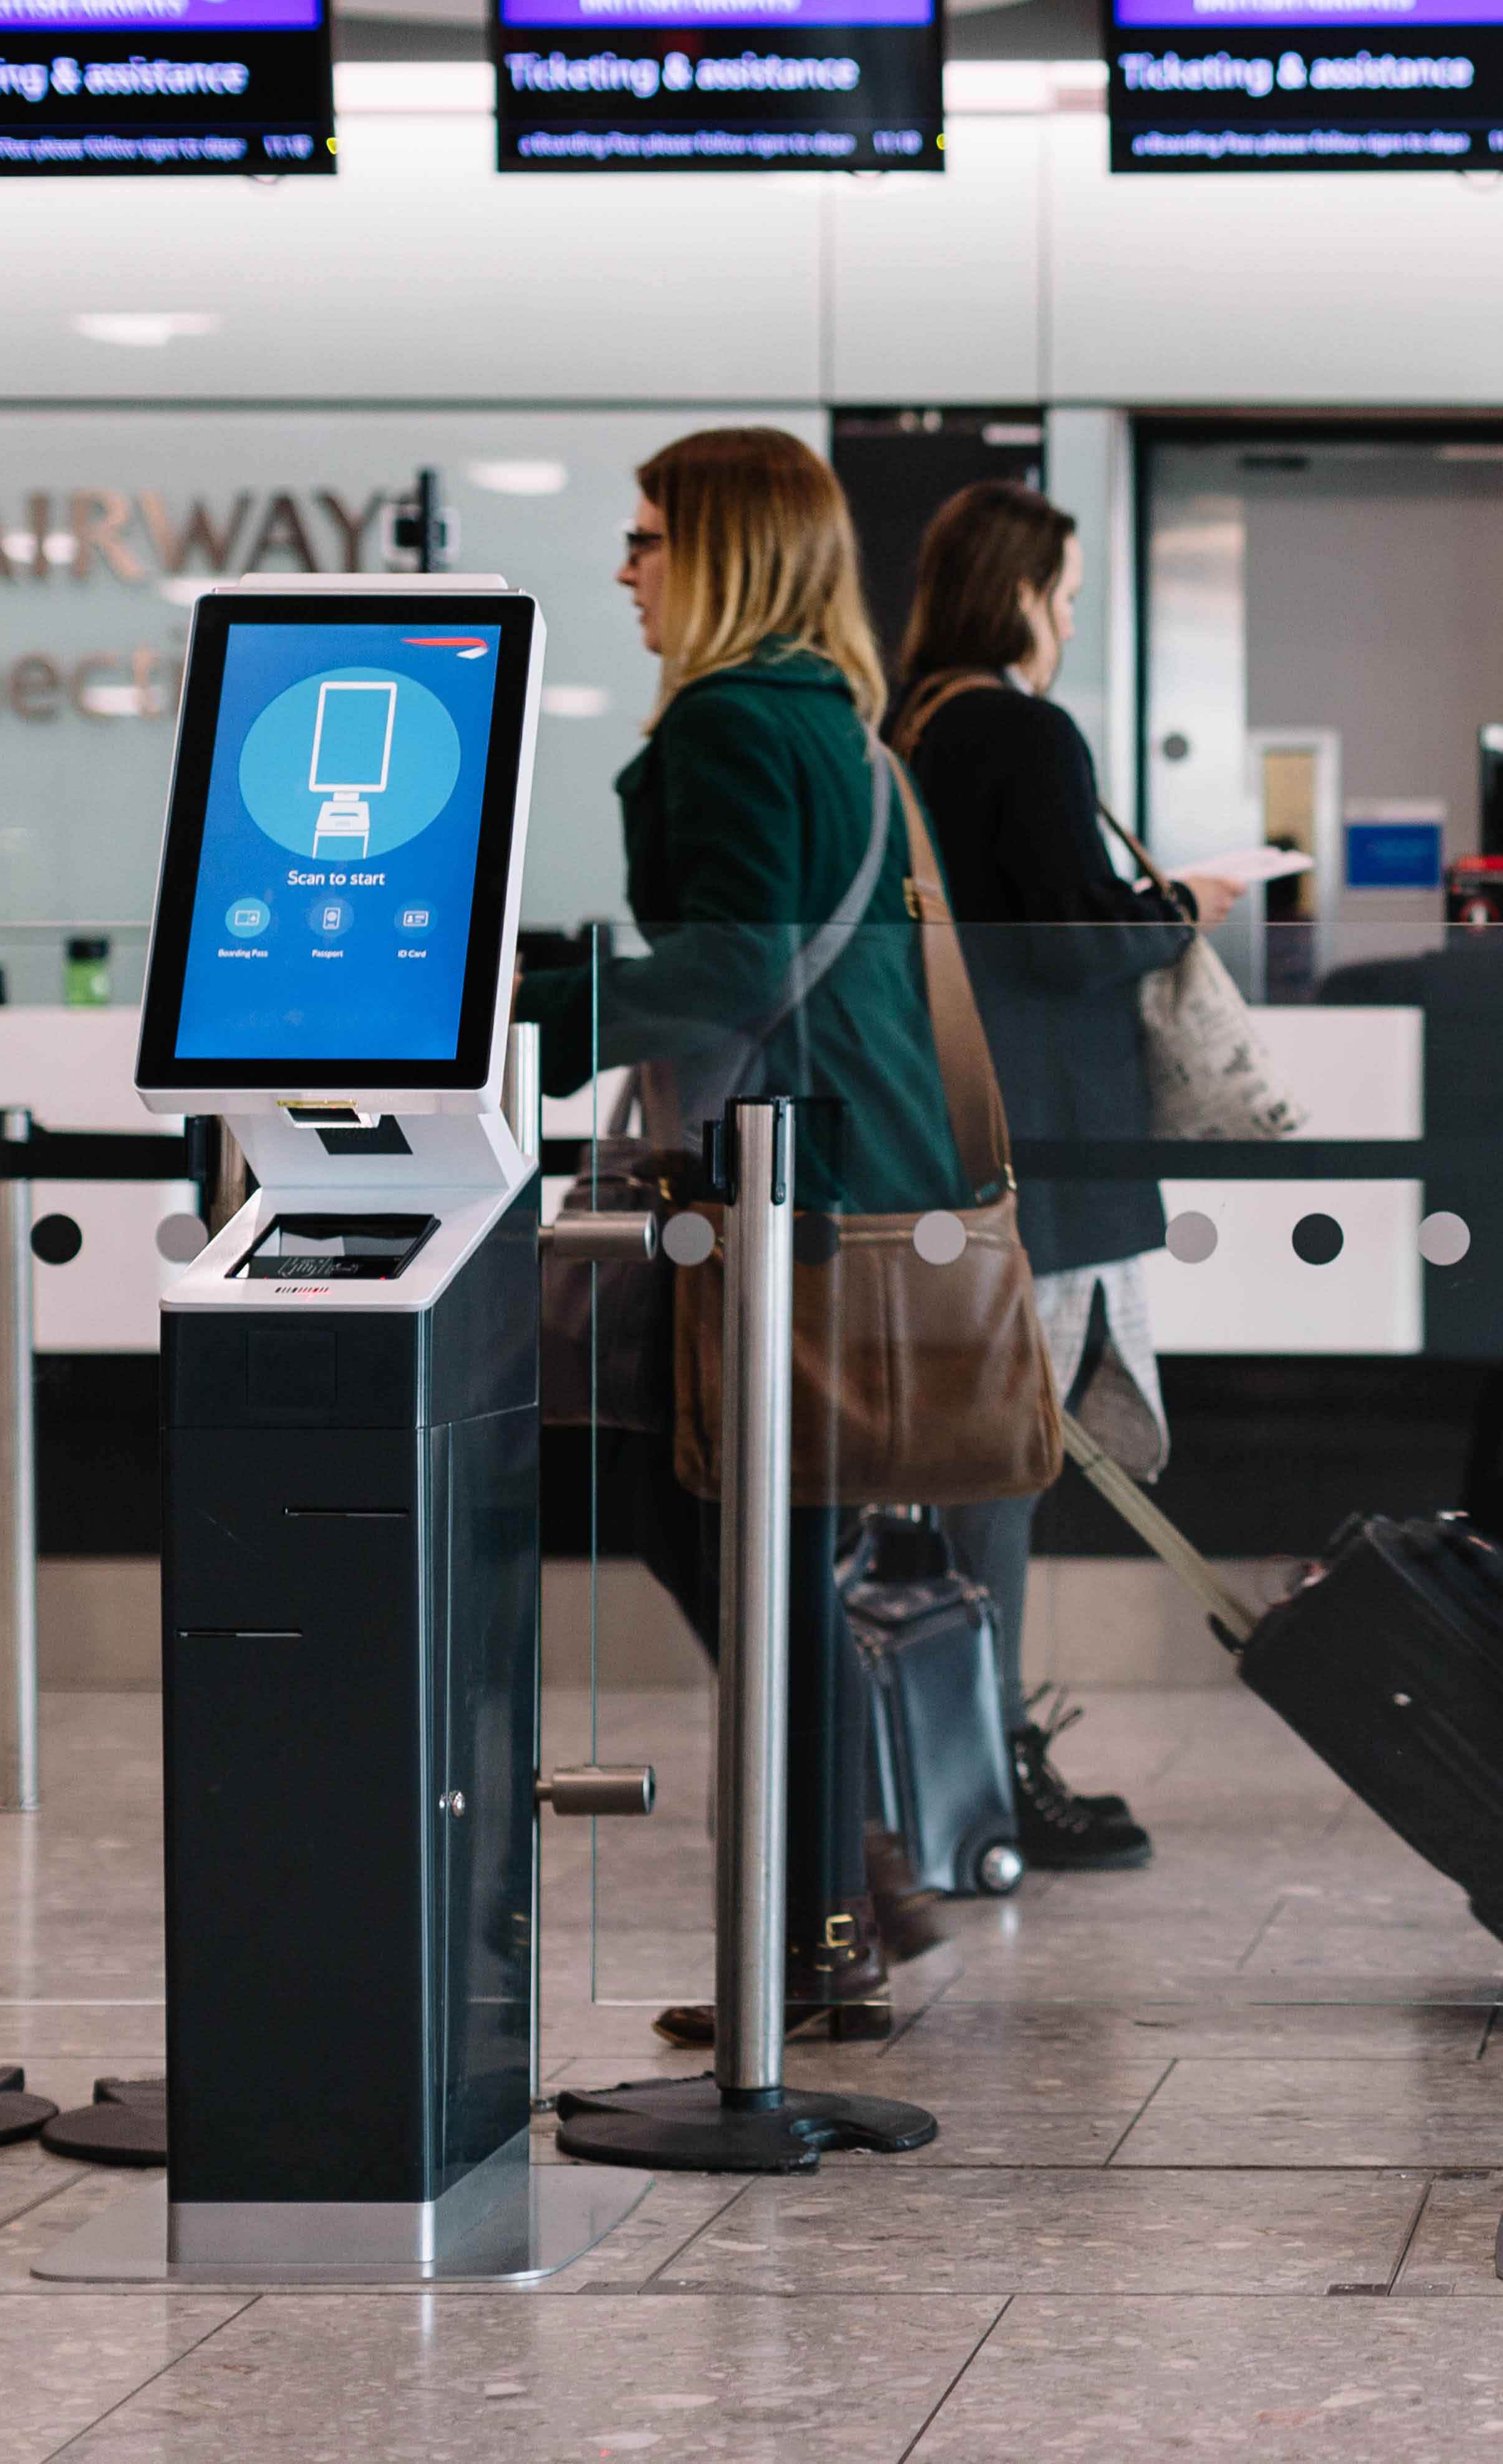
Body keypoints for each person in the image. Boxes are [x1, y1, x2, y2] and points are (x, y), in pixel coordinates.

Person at [516, 425, 981, 2046]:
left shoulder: (727, 718)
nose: (627, 568)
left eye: (649, 539)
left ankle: (828, 1912)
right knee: (761, 1549)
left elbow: (724, 969)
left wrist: (524, 1009)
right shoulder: (832, 721)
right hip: (865, 1180)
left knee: (730, 1538)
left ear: (719, 553)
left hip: (784, 1194)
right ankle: (839, 1896)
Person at [892, 480, 1249, 1875]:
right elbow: (1061, 936)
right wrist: (1177, 909)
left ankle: (948, 1757)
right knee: (1008, 1467)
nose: (1069, 621)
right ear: (1022, 593)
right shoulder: (1019, 730)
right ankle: (985, 1776)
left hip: (946, 1141)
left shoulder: (906, 724)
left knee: (953, 1471)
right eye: (1070, 595)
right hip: (1044, 1149)